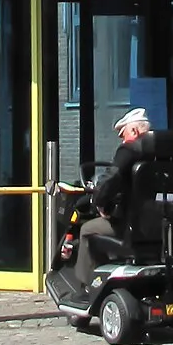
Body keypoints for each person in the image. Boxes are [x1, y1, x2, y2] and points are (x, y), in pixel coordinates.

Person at [69, 106, 155, 279]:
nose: (122, 140)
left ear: (134, 130)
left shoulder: (130, 150)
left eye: (123, 135)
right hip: (164, 228)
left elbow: (112, 178)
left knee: (87, 230)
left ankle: (90, 285)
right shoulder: (164, 156)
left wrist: (99, 202)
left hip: (133, 227)